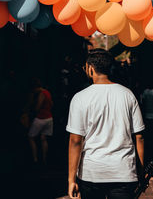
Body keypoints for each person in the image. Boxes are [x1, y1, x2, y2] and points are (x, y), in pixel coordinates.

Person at [66, 49, 145, 199]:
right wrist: (139, 171)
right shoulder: (127, 94)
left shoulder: (80, 98)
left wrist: (71, 180)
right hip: (123, 172)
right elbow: (139, 137)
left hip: (92, 172)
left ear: (90, 68)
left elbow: (75, 140)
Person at [26, 78, 53, 165]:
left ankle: (35, 159)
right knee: (43, 139)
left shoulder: (42, 93)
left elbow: (38, 107)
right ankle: (44, 159)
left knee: (30, 137)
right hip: (49, 118)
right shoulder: (48, 92)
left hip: (41, 118)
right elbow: (52, 104)